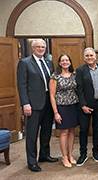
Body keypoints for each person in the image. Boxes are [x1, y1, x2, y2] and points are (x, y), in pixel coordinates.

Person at [17, 39, 58, 172]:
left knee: (46, 131)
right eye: (38, 47)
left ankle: (44, 155)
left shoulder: (48, 62)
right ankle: (32, 161)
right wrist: (25, 103)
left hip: (48, 102)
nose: (41, 49)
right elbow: (22, 85)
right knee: (32, 134)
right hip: (33, 104)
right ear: (33, 48)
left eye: (43, 47)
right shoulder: (25, 63)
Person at [75, 47, 98, 166]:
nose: (89, 58)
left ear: (95, 56)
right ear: (84, 58)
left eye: (91, 55)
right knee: (84, 130)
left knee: (97, 129)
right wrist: (83, 105)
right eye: (87, 56)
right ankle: (83, 154)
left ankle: (95, 152)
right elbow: (79, 89)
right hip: (86, 106)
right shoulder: (80, 70)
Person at [49, 54, 79, 168]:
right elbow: (52, 96)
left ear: (70, 62)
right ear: (60, 63)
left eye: (67, 60)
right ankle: (64, 157)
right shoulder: (55, 77)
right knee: (64, 132)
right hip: (61, 107)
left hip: (74, 106)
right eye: (63, 60)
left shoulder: (74, 75)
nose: (65, 62)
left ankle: (70, 155)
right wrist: (56, 112)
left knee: (72, 132)